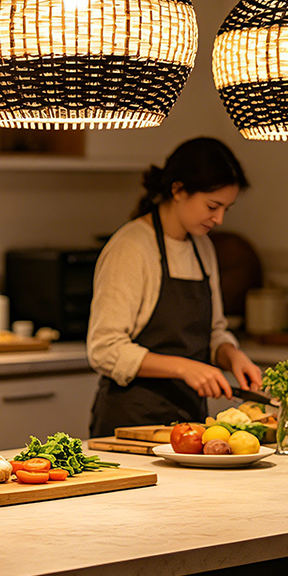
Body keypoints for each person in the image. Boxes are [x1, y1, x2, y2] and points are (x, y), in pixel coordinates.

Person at [88, 137, 263, 437]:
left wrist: (231, 355)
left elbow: (213, 332)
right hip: (131, 424)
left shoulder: (202, 247)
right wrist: (184, 368)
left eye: (226, 209)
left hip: (190, 423)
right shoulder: (131, 247)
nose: (219, 219)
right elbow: (104, 348)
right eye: (212, 206)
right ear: (178, 190)